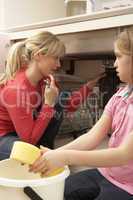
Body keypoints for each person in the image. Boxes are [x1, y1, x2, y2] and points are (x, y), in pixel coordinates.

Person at [29, 29, 133, 200]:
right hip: (107, 173)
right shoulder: (119, 96)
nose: (114, 64)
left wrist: (65, 157)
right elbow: (92, 136)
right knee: (57, 193)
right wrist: (54, 154)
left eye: (119, 56)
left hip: (129, 186)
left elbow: (123, 155)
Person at [0, 31, 100, 160]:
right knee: (32, 157)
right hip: (4, 136)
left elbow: (68, 105)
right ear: (39, 55)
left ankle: (46, 152)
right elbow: (28, 140)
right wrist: (48, 104)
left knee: (57, 103)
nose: (58, 65)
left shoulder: (45, 80)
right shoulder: (17, 89)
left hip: (24, 134)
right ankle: (41, 156)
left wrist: (89, 86)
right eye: (55, 58)